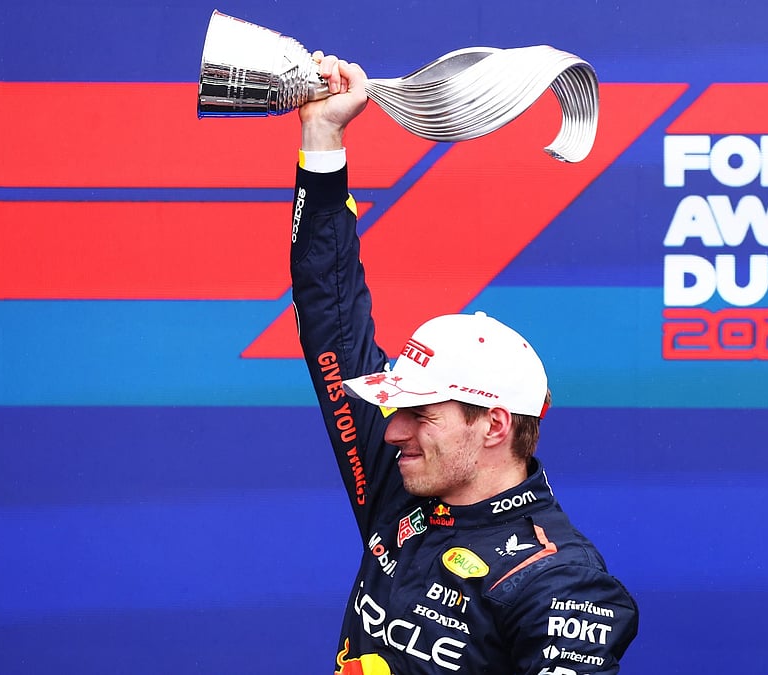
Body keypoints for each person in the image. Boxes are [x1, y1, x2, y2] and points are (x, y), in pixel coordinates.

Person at [291, 51, 638, 675]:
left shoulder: (558, 583)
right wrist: (323, 136)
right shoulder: (404, 484)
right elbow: (330, 315)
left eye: (419, 412)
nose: (392, 429)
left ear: (494, 426)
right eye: (395, 407)